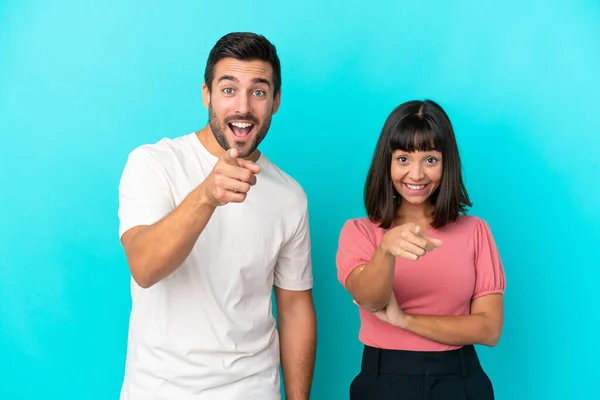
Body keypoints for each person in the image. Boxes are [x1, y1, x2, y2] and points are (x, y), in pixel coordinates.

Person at [117, 32, 316, 400]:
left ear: (275, 101)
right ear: (206, 94)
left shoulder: (290, 196)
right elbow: (144, 266)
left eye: (258, 91)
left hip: (253, 389)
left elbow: (294, 307)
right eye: (228, 89)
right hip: (159, 389)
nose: (242, 107)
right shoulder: (153, 163)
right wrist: (207, 195)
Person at [335, 99, 506, 399]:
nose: (416, 174)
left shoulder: (475, 231)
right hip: (384, 381)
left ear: (446, 164)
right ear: (386, 163)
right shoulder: (359, 232)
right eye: (403, 159)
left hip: (461, 379)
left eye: (430, 159)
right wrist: (386, 249)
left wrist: (406, 321)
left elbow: (489, 329)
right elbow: (370, 299)